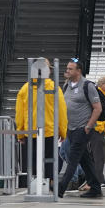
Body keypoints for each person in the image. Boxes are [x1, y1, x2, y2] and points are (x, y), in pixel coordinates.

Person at [15, 58, 67, 188]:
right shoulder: (55, 88)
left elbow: (19, 114)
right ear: (48, 71)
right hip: (50, 131)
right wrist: (63, 131)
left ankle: (34, 185)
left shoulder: (25, 88)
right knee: (50, 161)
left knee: (32, 161)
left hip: (30, 131)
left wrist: (20, 133)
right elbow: (61, 112)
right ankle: (50, 184)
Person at [58, 59, 103, 198]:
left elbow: (98, 108)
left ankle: (60, 189)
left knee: (73, 158)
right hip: (70, 129)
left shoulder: (87, 85)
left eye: (71, 69)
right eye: (67, 68)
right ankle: (95, 187)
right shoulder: (66, 85)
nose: (67, 71)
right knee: (85, 159)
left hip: (82, 129)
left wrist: (88, 126)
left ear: (78, 71)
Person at [85, 76, 105, 191]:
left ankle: (93, 180)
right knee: (98, 157)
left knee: (95, 157)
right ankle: (99, 181)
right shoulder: (98, 95)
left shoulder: (100, 95)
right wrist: (98, 127)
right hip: (97, 130)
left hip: (97, 130)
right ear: (102, 85)